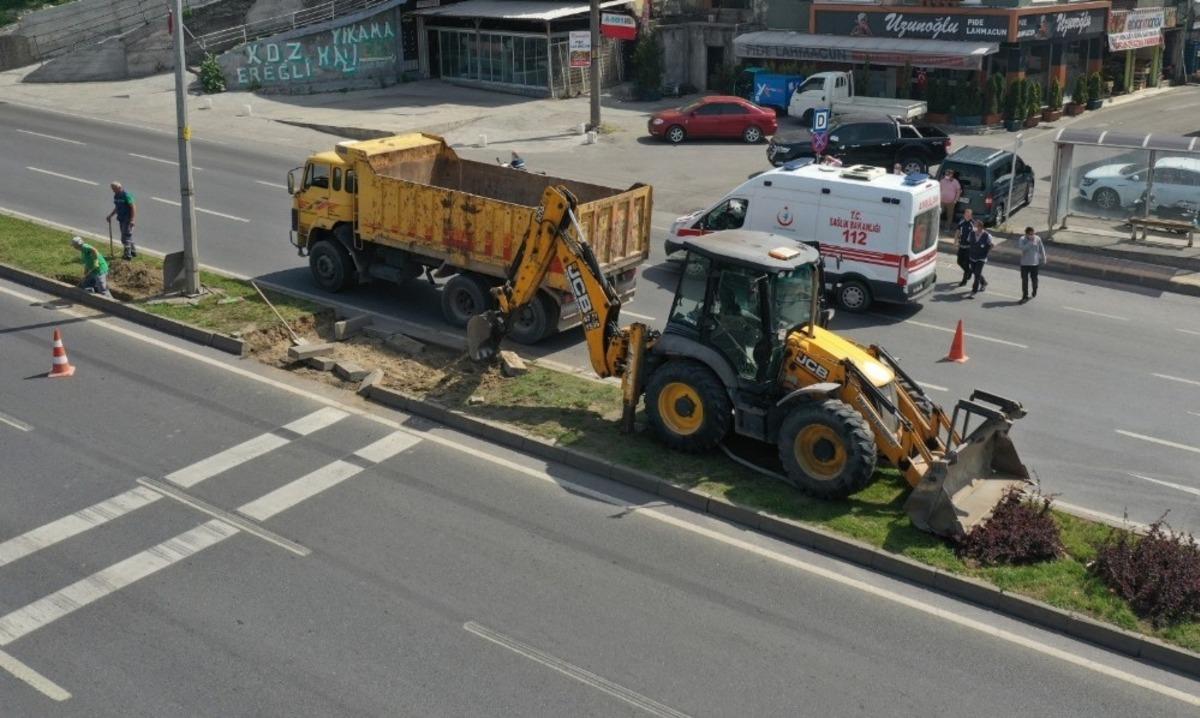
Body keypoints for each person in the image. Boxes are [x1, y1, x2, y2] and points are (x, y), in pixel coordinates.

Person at [105, 181, 137, 260]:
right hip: (121, 218)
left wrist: (132, 219)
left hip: (128, 218)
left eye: (114, 189)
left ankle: (127, 255)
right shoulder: (116, 196)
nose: (113, 190)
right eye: (112, 189)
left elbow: (133, 207)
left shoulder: (127, 195)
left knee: (125, 237)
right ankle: (133, 251)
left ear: (119, 188)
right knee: (128, 236)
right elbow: (117, 207)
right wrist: (110, 215)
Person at [1019, 226, 1047, 302]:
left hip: (1034, 264)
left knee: (1034, 280)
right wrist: (1030, 242)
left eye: (1033, 233)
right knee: (1024, 281)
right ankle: (1025, 296)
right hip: (1024, 263)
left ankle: (1035, 290)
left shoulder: (1037, 238)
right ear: (1026, 234)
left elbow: (1041, 248)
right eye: (1030, 234)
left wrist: (1044, 258)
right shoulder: (1022, 239)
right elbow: (1022, 248)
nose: (1032, 235)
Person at [967, 219, 993, 298]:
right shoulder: (971, 233)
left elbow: (991, 245)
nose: (974, 225)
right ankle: (984, 282)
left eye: (975, 224)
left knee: (977, 274)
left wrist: (986, 252)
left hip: (981, 258)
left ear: (980, 226)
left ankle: (973, 291)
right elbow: (969, 241)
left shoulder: (987, 235)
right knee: (975, 272)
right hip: (972, 256)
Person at [955, 208, 975, 287]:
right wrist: (955, 241)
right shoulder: (961, 222)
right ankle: (969, 271)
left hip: (969, 248)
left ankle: (964, 281)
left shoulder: (973, 224)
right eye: (966, 214)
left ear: (971, 216)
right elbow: (957, 231)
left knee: (966, 264)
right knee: (959, 261)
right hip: (961, 246)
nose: (967, 216)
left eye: (969, 215)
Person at [939, 170, 961, 234]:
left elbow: (958, 191)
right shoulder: (942, 181)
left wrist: (955, 200)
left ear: (952, 175)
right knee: (939, 213)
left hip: (951, 202)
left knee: (949, 216)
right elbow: (938, 189)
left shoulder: (955, 182)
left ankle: (947, 228)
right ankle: (938, 226)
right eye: (946, 174)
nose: (946, 176)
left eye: (948, 174)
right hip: (941, 201)